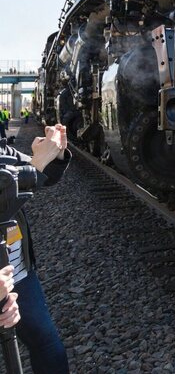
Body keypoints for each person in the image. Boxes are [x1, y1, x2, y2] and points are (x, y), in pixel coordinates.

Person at [1, 124, 71, 373]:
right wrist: (36, 165)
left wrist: (53, 153)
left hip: (18, 274)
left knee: (48, 345)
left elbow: (31, 171)